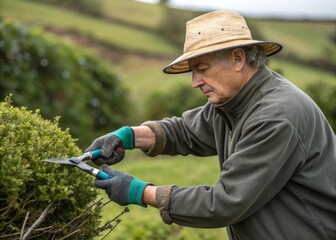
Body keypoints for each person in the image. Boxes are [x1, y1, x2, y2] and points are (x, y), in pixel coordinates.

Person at [86, 10, 336, 240]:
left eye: (202, 69)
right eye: (193, 71)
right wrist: (128, 136)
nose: (195, 82)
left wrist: (140, 192)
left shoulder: (276, 116)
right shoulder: (235, 101)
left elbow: (226, 202)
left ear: (238, 58)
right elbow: (185, 131)